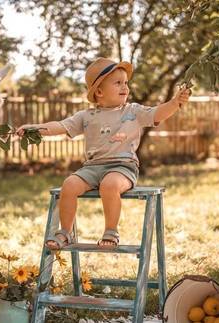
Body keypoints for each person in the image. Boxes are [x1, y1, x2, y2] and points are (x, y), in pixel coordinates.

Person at [17, 57, 190, 249]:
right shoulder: (86, 116)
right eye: (118, 83)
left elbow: (158, 113)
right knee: (69, 184)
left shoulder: (133, 111)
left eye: (126, 82)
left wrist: (175, 102)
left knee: (109, 185)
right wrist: (35, 128)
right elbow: (59, 126)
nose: (125, 87)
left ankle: (111, 231)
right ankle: (65, 232)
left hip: (122, 167)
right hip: (92, 168)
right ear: (99, 91)